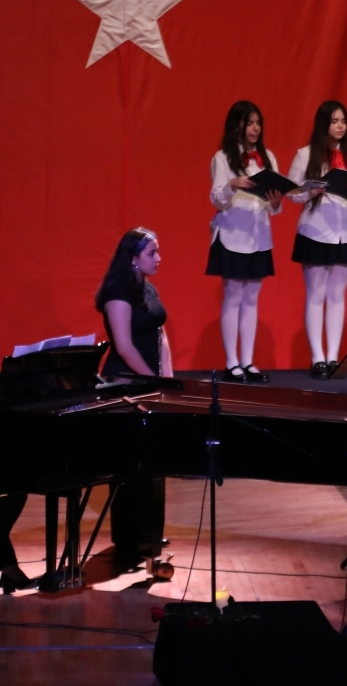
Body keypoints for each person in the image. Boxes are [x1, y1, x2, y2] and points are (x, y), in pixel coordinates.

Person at [95, 227, 171, 574]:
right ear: (133, 258)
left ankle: (150, 535)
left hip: (151, 383)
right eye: (152, 253)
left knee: (155, 463)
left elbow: (160, 333)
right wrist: (152, 380)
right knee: (130, 464)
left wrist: (168, 377)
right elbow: (124, 347)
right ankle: (130, 538)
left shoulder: (148, 288)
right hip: (125, 387)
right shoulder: (117, 294)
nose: (158, 258)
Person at [286, 100, 347, 378]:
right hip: (315, 230)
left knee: (337, 296)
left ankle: (334, 357)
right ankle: (317, 358)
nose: (340, 126)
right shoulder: (305, 155)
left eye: (343, 121)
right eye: (334, 121)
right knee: (316, 294)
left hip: (345, 232)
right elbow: (291, 193)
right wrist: (308, 193)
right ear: (323, 124)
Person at [207, 100, 280, 383]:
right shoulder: (223, 157)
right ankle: (232, 362)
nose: (255, 128)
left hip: (258, 236)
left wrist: (275, 202)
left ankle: (248, 361)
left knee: (252, 299)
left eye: (258, 123)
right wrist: (232, 185)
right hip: (231, 235)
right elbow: (217, 200)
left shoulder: (267, 157)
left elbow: (273, 206)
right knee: (234, 297)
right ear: (236, 125)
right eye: (249, 123)